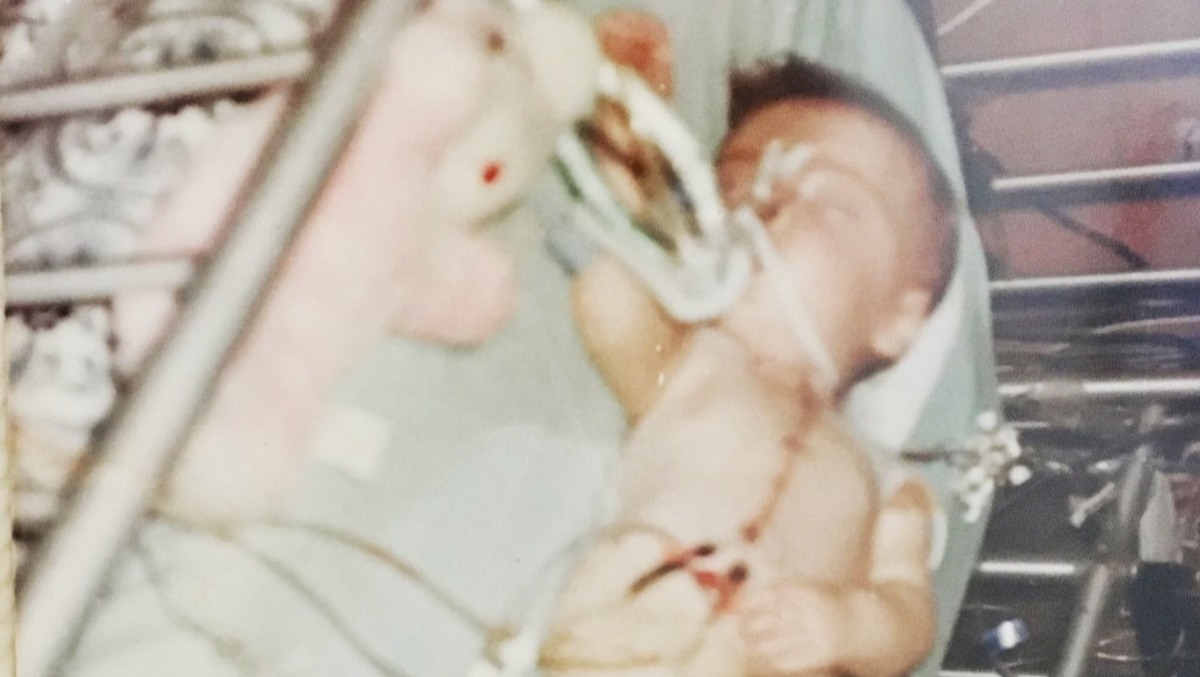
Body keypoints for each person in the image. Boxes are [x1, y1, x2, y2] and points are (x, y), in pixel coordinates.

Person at [539, 55, 957, 677]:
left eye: (836, 206)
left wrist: (846, 626)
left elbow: (909, 614)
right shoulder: (691, 365)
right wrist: (626, 179)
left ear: (897, 319)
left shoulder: (888, 485)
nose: (772, 208)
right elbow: (611, 306)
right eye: (736, 187)